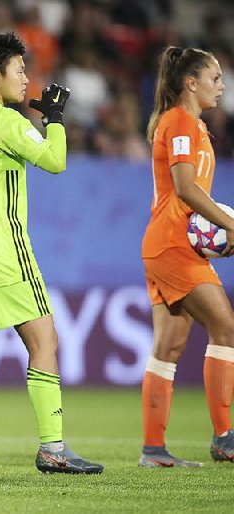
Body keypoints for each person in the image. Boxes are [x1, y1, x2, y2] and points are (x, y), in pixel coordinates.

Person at [0, 32, 103, 475]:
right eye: (19, 70)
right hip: (3, 251)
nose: (26, 78)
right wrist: (53, 118)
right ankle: (53, 447)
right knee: (45, 342)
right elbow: (55, 161)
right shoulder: (5, 119)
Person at [139, 46, 233, 467]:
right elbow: (186, 189)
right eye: (215, 78)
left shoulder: (192, 126)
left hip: (170, 244)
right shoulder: (179, 122)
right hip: (173, 245)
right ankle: (224, 438)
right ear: (190, 83)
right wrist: (230, 224)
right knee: (226, 328)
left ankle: (153, 450)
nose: (222, 86)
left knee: (169, 346)